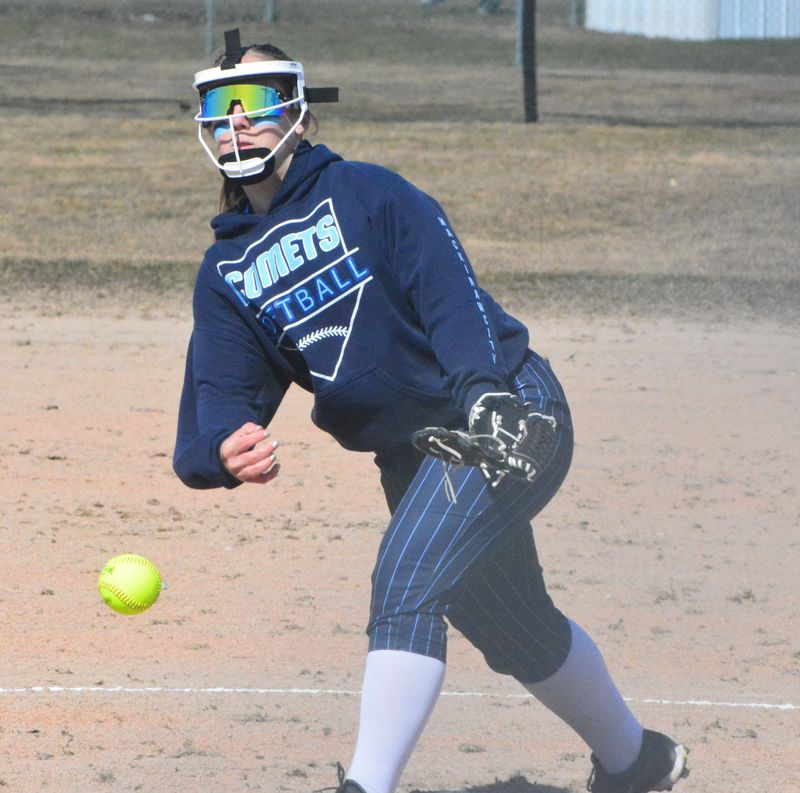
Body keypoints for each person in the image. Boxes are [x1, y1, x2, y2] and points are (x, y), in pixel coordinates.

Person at [173, 29, 690, 793]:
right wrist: (219, 449)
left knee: (405, 579)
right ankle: (637, 761)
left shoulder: (370, 194)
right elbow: (216, 393)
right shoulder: (228, 270)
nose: (238, 120)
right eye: (220, 107)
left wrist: (484, 396)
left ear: (300, 114)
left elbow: (454, 299)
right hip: (416, 453)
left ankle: (365, 785)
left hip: (506, 410)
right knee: (510, 623)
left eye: (257, 100)